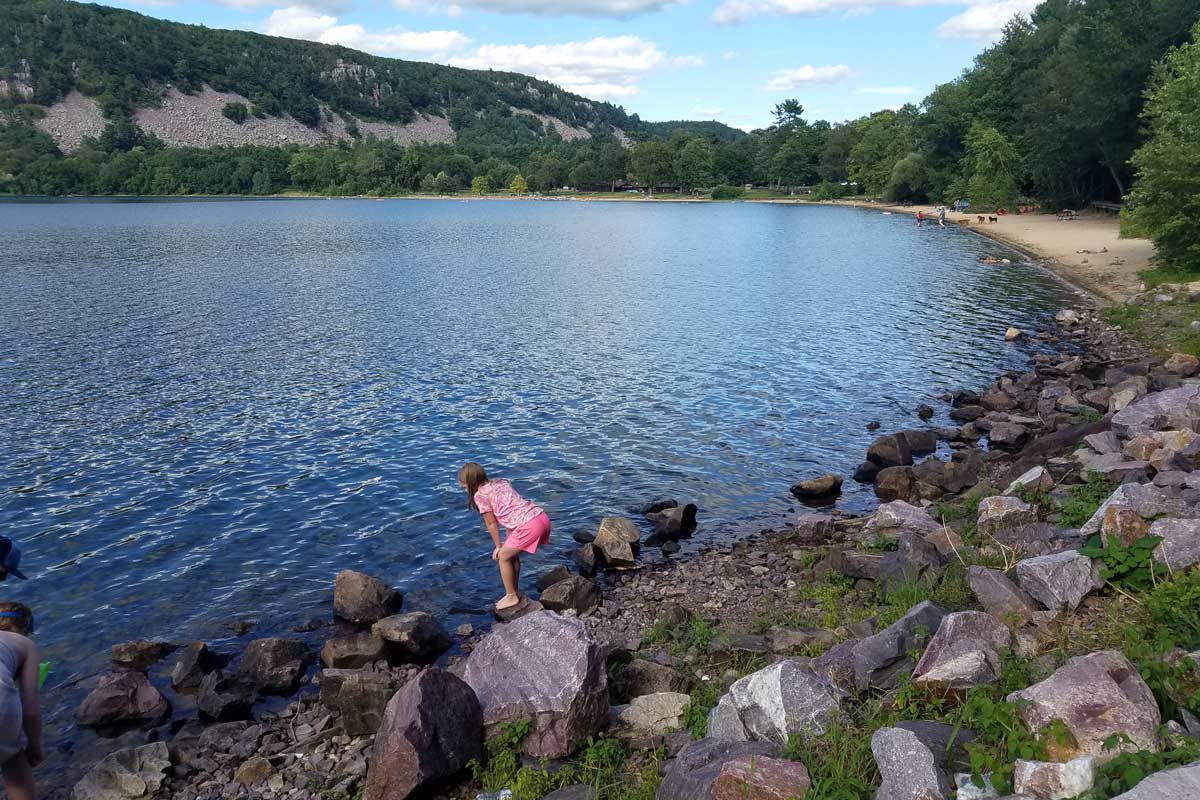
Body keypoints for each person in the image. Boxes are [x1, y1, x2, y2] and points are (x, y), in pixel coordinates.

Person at [458, 462, 551, 611]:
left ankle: (511, 596)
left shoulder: (480, 495)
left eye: (463, 485)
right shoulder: (501, 482)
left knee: (503, 557)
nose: (462, 487)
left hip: (528, 525)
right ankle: (514, 591)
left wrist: (498, 546)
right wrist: (505, 544)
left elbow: (491, 524)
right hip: (540, 517)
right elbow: (510, 510)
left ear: (470, 482)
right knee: (511, 556)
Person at [0, 603, 42, 800]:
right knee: (13, 760)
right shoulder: (25, 644)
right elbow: (31, 711)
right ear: (26, 629)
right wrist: (34, 746)